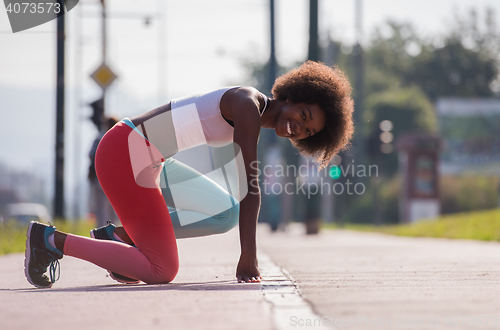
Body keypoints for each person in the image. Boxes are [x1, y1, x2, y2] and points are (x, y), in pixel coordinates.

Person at [24, 61, 354, 288]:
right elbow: (249, 187)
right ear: (294, 96)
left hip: (149, 158)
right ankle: (49, 241)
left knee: (225, 213)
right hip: (124, 153)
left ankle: (121, 237)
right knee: (161, 270)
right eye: (304, 114)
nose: (299, 127)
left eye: (308, 132)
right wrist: (248, 257)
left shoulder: (252, 109)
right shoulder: (247, 106)